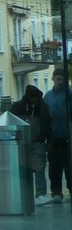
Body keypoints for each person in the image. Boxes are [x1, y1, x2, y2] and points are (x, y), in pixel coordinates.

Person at [11, 85, 51, 205]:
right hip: (36, 142)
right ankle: (40, 194)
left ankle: (26, 193)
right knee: (38, 170)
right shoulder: (42, 106)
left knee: (27, 169)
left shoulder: (17, 106)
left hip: (26, 143)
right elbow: (47, 124)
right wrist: (49, 140)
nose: (34, 100)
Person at [45, 70, 71, 203]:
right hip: (54, 137)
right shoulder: (48, 96)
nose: (61, 82)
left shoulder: (70, 94)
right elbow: (44, 117)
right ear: (53, 79)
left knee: (69, 166)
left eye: (63, 79)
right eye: (59, 79)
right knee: (54, 167)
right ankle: (56, 192)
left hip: (68, 137)